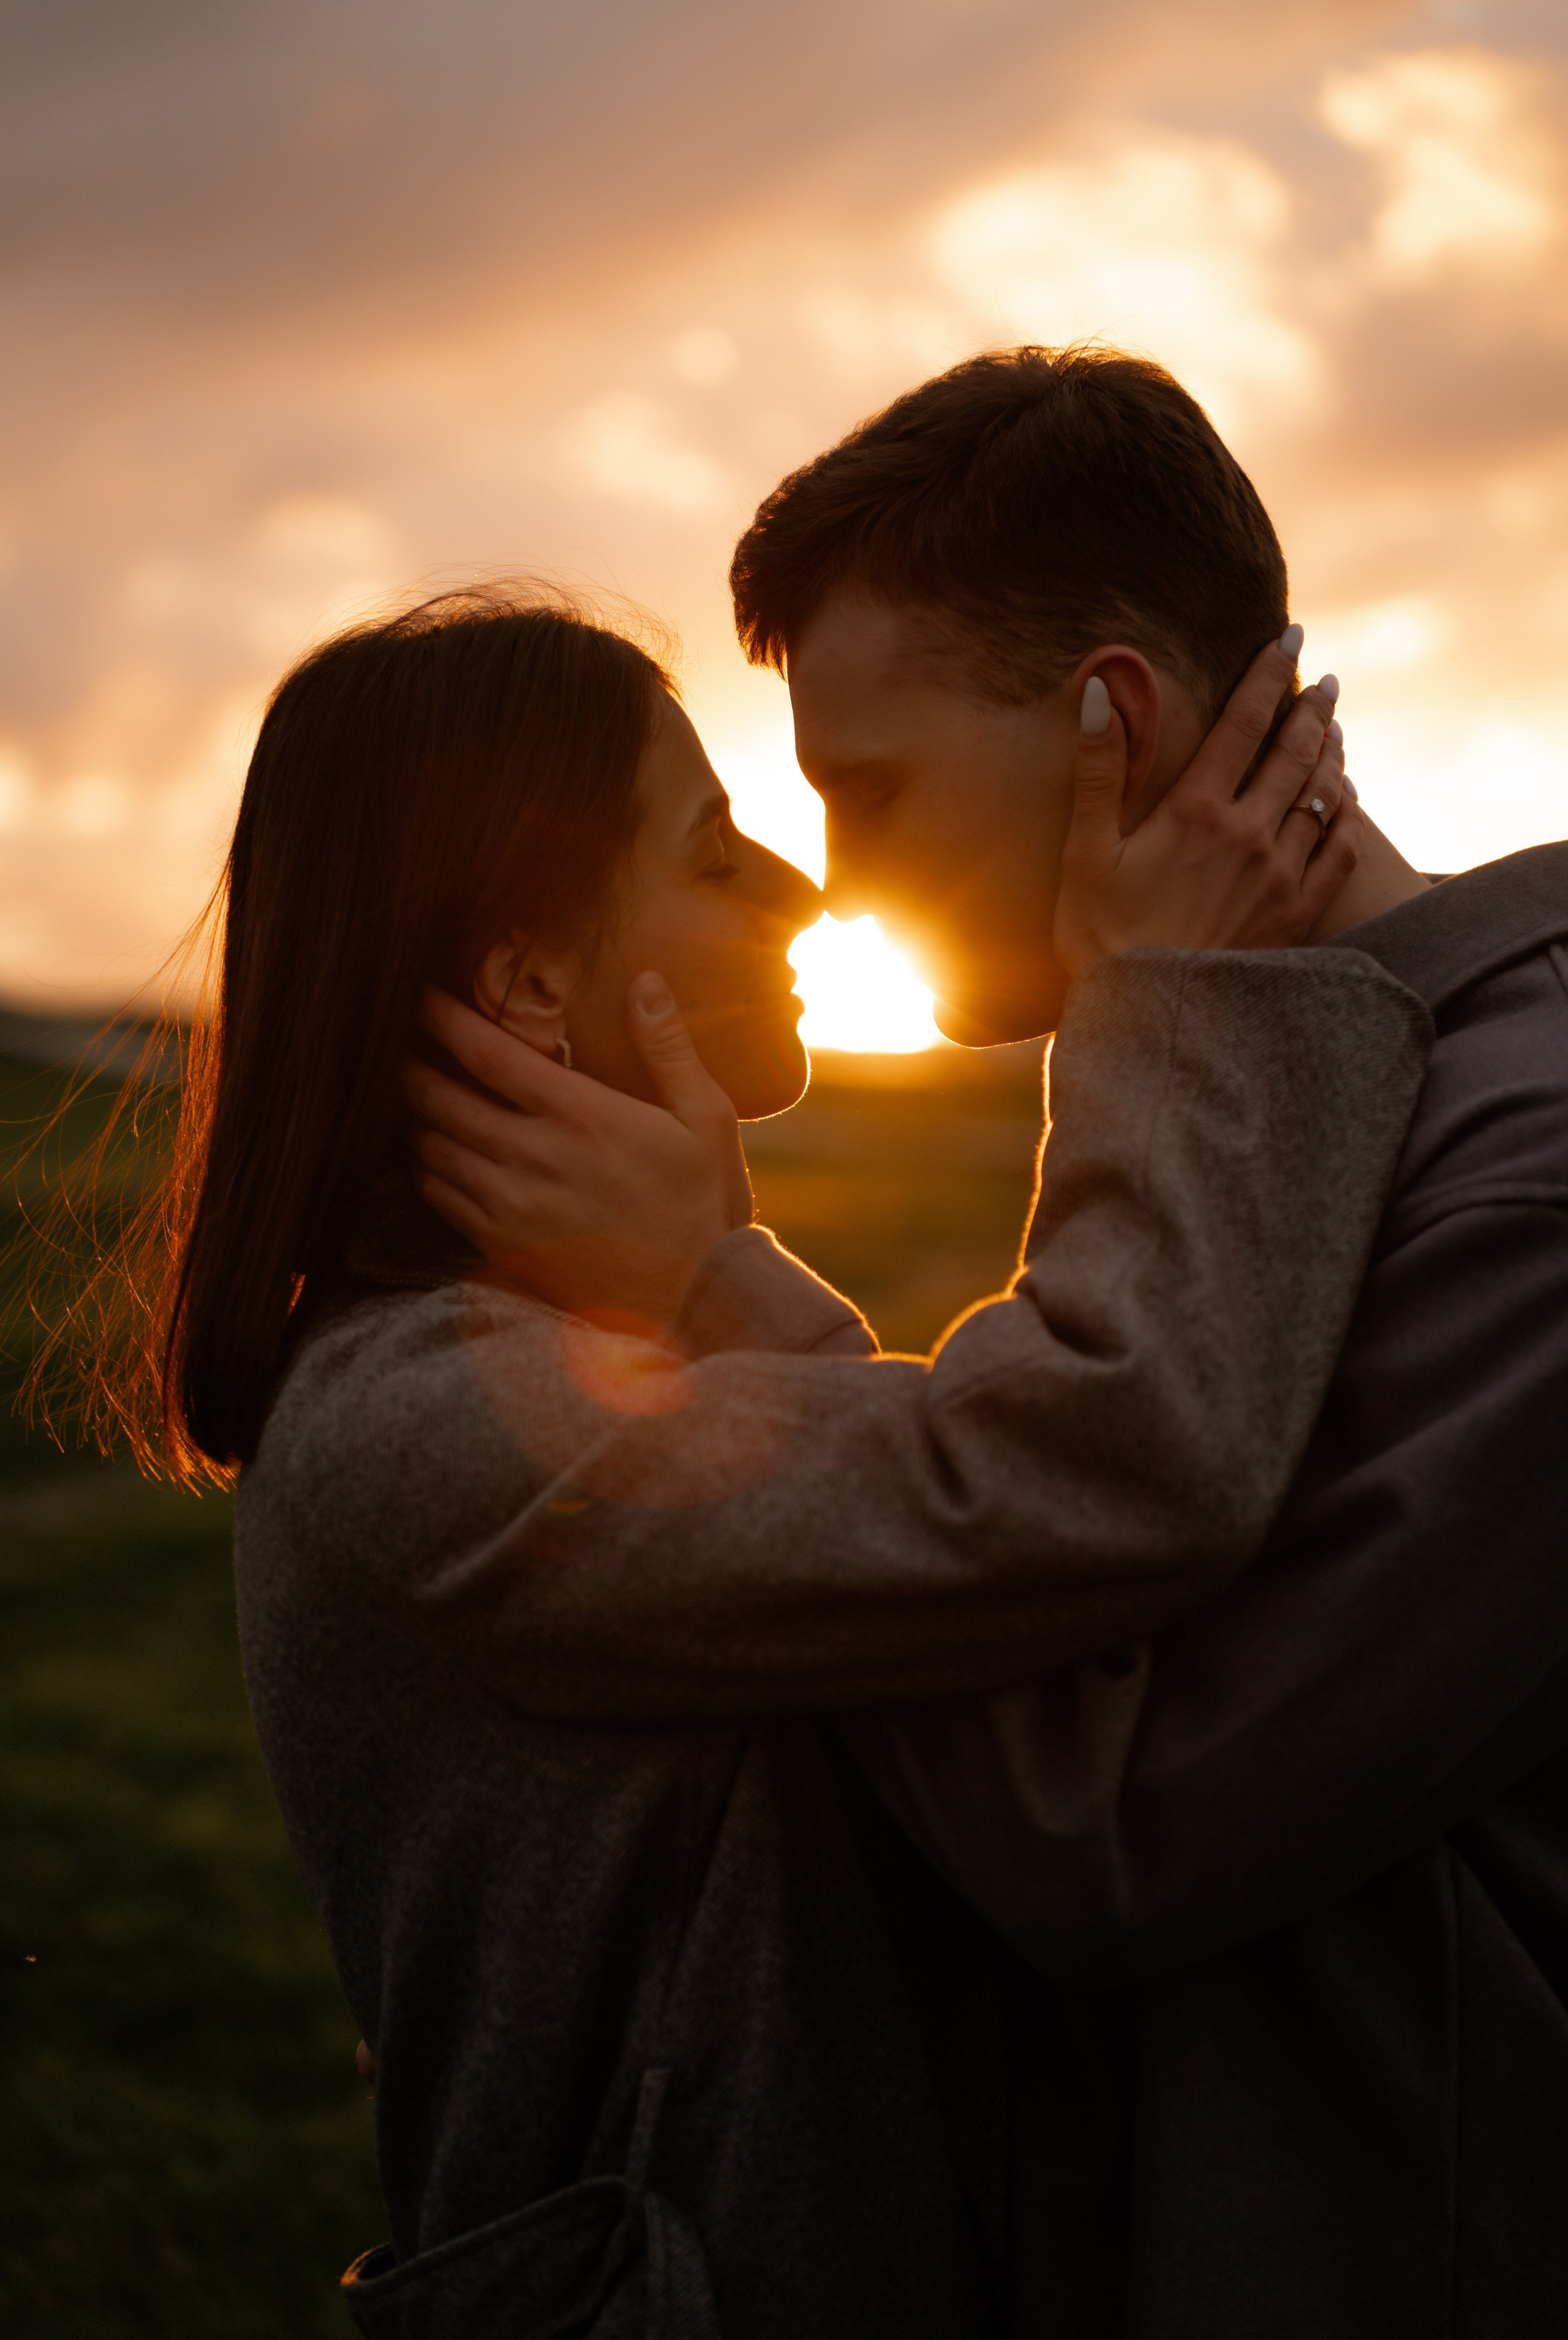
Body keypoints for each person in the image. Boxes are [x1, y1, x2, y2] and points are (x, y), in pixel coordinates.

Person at [48, 562, 1428, 2337]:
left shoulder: (551, 1364)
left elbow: (934, 1549)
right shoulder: (433, 1434)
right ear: (531, 986)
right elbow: (1098, 1472)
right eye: (712, 853)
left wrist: (709, 1273)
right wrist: (1186, 992)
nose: (796, 891)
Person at [410, 350, 1568, 2334]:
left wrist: (726, 1302)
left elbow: (1115, 1819)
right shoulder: (1241, 1096)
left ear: (1110, 715)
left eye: (870, 789)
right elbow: (1064, 1560)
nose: (838, 885)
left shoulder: (1529, 1164)